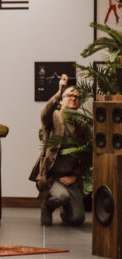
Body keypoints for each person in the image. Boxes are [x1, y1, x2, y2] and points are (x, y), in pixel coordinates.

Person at [33, 74, 91, 226]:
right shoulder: (53, 117)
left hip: (71, 178)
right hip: (53, 177)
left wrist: (75, 176)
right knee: (61, 197)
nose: (73, 98)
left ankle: (66, 211)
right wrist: (60, 90)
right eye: (69, 95)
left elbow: (88, 154)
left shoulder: (82, 125)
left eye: (76, 96)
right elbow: (45, 111)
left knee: (78, 219)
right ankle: (47, 206)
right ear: (61, 100)